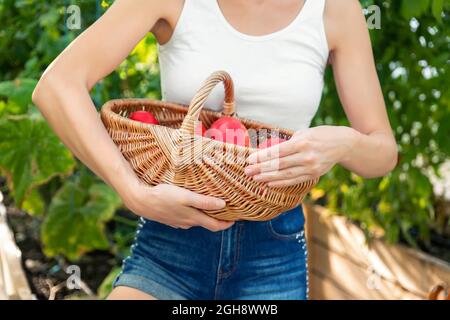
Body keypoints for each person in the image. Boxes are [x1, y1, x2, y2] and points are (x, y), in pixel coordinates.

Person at [32, 0, 398, 300]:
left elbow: (383, 151)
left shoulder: (335, 9)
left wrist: (345, 142)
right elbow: (57, 86)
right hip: (171, 240)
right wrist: (133, 193)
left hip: (272, 249)